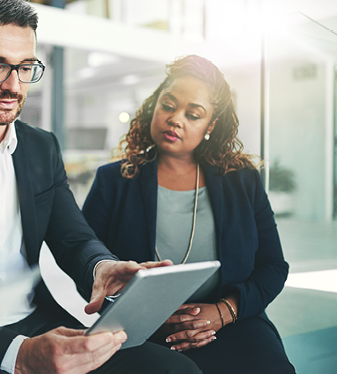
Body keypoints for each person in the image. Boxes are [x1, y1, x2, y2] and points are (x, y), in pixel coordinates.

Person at [0, 1, 202, 373]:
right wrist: (17, 355)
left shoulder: (41, 147)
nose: (13, 85)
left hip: (39, 323)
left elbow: (73, 239)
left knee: (176, 370)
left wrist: (101, 268)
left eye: (25, 67)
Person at [82, 55, 296, 373]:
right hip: (141, 331)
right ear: (154, 107)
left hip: (229, 321)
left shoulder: (241, 178)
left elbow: (273, 267)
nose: (175, 119)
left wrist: (224, 312)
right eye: (168, 105)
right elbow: (86, 262)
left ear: (210, 126)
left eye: (193, 114)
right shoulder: (114, 180)